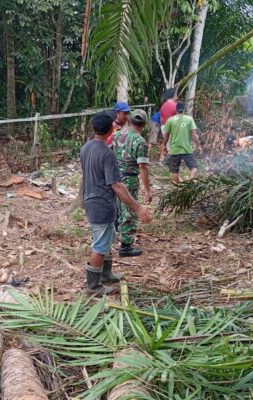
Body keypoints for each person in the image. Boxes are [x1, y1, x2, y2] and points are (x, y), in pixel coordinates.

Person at [80, 111, 152, 295]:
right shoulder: (107, 153)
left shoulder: (86, 147)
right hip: (101, 203)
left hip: (92, 200)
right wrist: (138, 207)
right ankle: (93, 286)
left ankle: (106, 274)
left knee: (107, 239)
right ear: (111, 128)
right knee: (100, 245)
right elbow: (117, 186)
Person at [112, 109, 152, 257]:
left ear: (129, 121)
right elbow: (142, 167)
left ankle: (116, 236)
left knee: (118, 208)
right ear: (144, 124)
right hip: (129, 178)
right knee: (129, 210)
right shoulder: (140, 142)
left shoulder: (117, 134)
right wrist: (148, 189)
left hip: (115, 177)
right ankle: (126, 247)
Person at [162, 101, 201, 184]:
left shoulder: (170, 120)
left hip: (175, 150)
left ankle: (177, 189)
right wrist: (198, 145)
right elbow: (194, 135)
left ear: (176, 110)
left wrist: (164, 146)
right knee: (194, 167)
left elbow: (166, 136)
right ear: (184, 110)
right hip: (187, 149)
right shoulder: (189, 119)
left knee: (174, 171)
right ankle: (190, 181)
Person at [159, 89, 177, 162]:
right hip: (172, 127)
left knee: (166, 143)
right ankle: (170, 162)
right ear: (173, 96)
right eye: (176, 95)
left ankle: (163, 158)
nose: (177, 97)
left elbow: (161, 118)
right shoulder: (175, 105)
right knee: (172, 145)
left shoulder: (163, 105)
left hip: (164, 127)